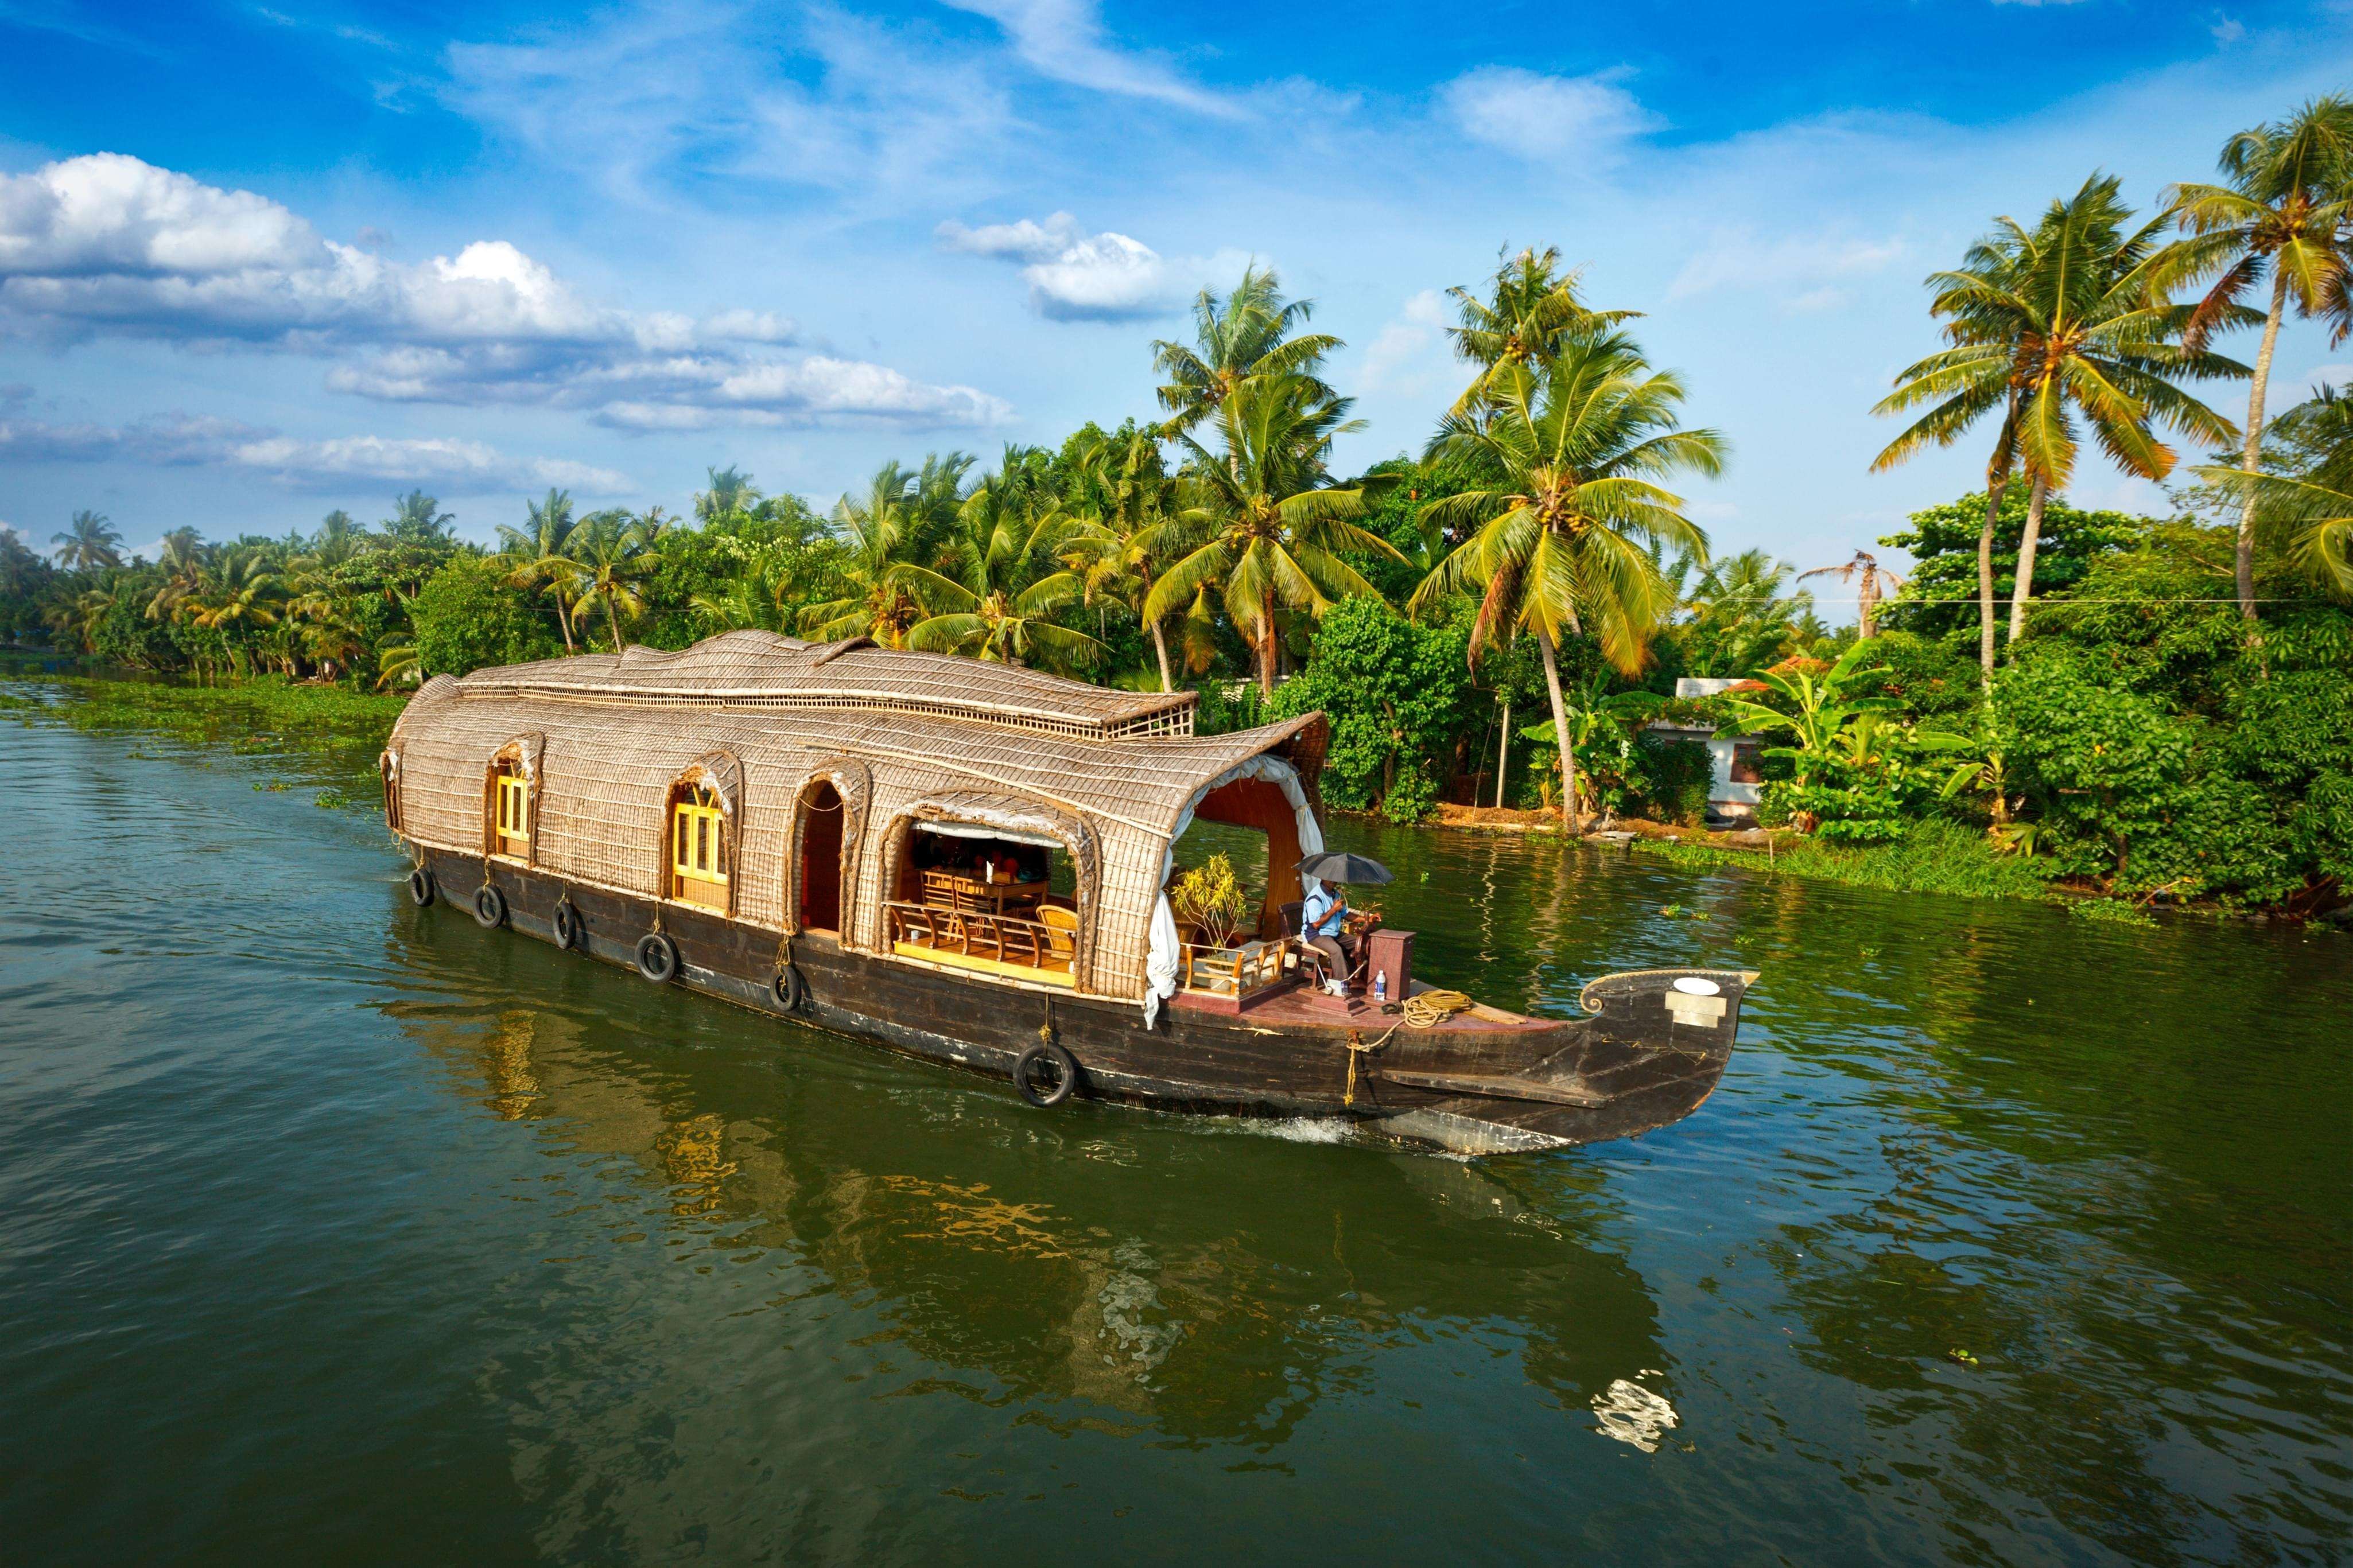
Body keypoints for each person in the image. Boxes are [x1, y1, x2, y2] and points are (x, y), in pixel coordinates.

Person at [1300, 880, 1354, 992]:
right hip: (1315, 934)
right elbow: (1316, 924)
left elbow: (1346, 915)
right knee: (1336, 950)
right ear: (1323, 878)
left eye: (1335, 879)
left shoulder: (1335, 894)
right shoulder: (1315, 898)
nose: (1334, 882)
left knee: (1358, 943)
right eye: (1331, 879)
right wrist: (1333, 910)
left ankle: (1356, 978)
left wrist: (1367, 919)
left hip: (1332, 933)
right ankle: (1341, 985)